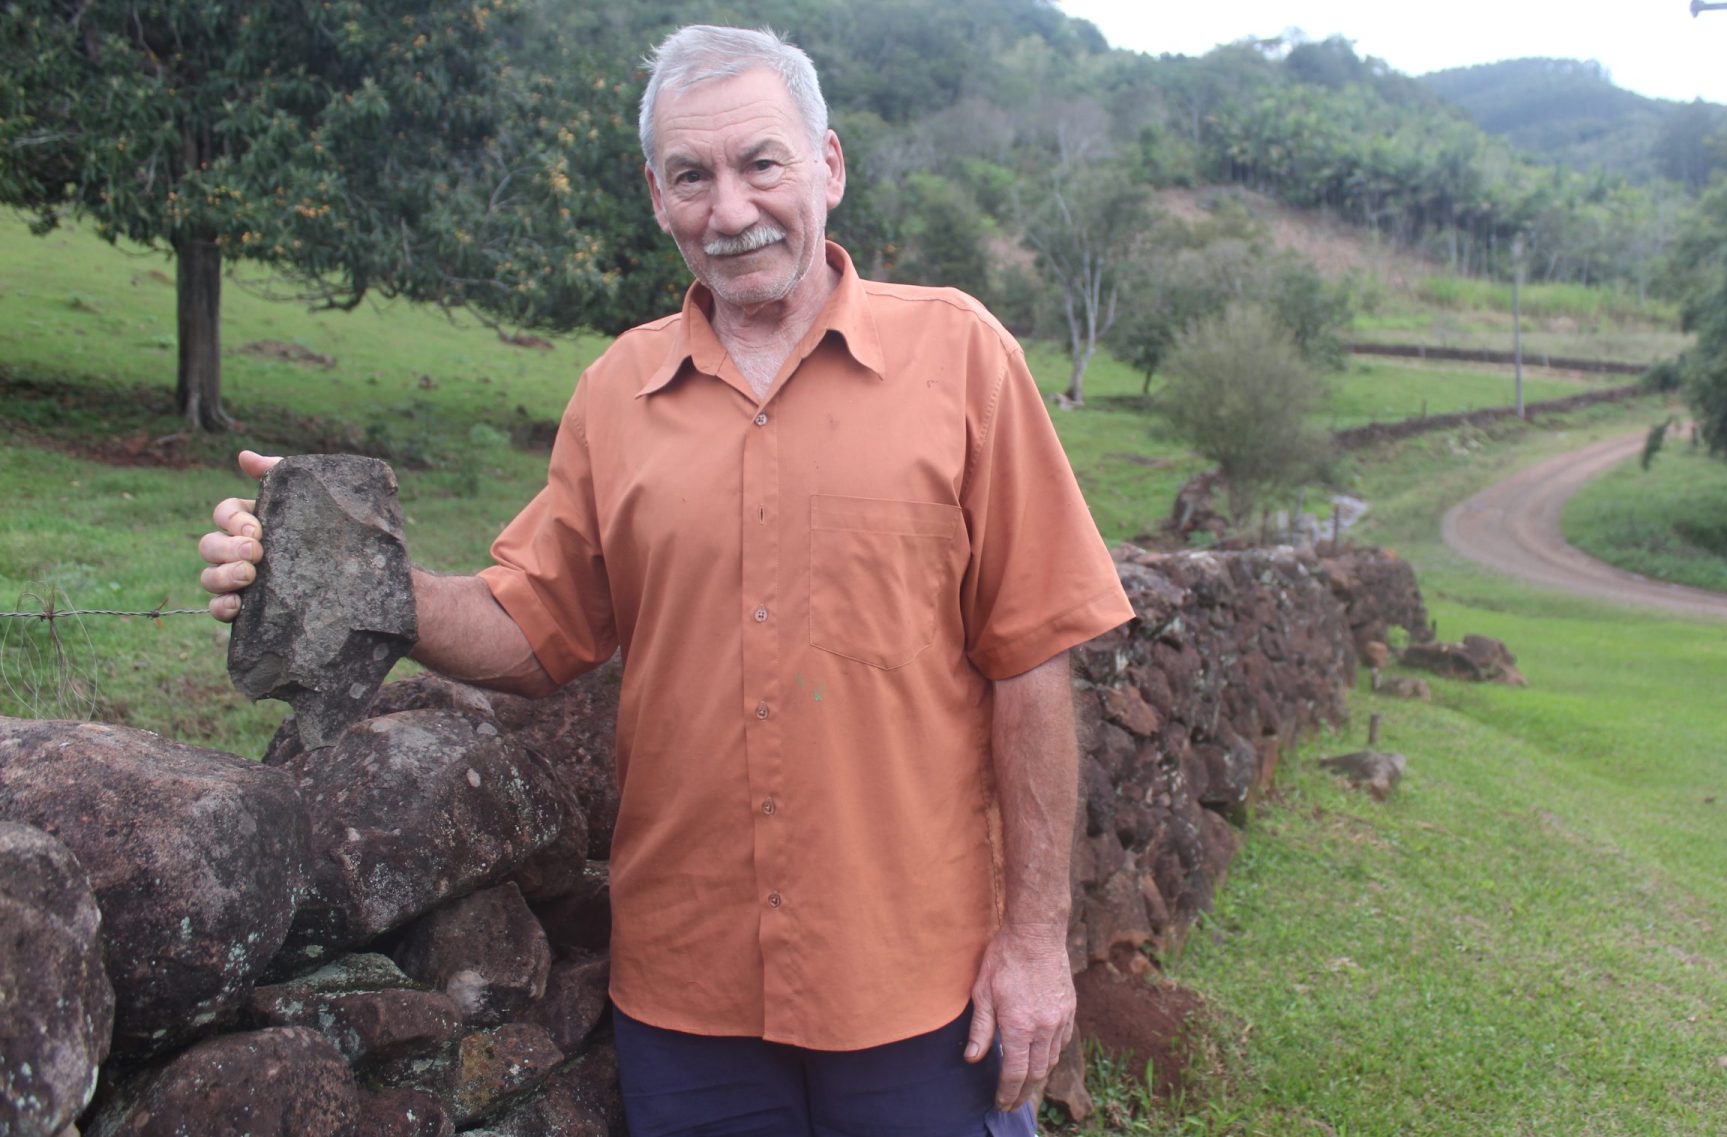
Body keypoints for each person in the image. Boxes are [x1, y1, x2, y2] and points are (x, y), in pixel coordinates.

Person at [199, 24, 1133, 1136]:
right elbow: (533, 624)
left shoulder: (963, 359)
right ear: (656, 194)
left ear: (827, 166)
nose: (730, 210)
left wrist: (1033, 943)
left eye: (761, 163)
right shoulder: (616, 391)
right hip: (690, 1005)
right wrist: (362, 589)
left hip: (921, 995)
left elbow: (1032, 654)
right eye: (693, 175)